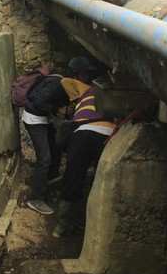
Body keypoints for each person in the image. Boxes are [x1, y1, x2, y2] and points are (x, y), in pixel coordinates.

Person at [52, 57, 115, 238]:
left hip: (83, 131)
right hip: (107, 133)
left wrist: (74, 99)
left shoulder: (86, 88)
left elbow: (65, 81)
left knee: (73, 176)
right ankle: (100, 228)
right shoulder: (112, 97)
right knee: (102, 179)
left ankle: (61, 227)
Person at [22, 69, 69, 215]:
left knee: (55, 149)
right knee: (45, 158)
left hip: (43, 119)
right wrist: (58, 110)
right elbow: (38, 101)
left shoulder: (61, 84)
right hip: (34, 120)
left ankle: (49, 183)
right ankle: (35, 198)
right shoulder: (57, 84)